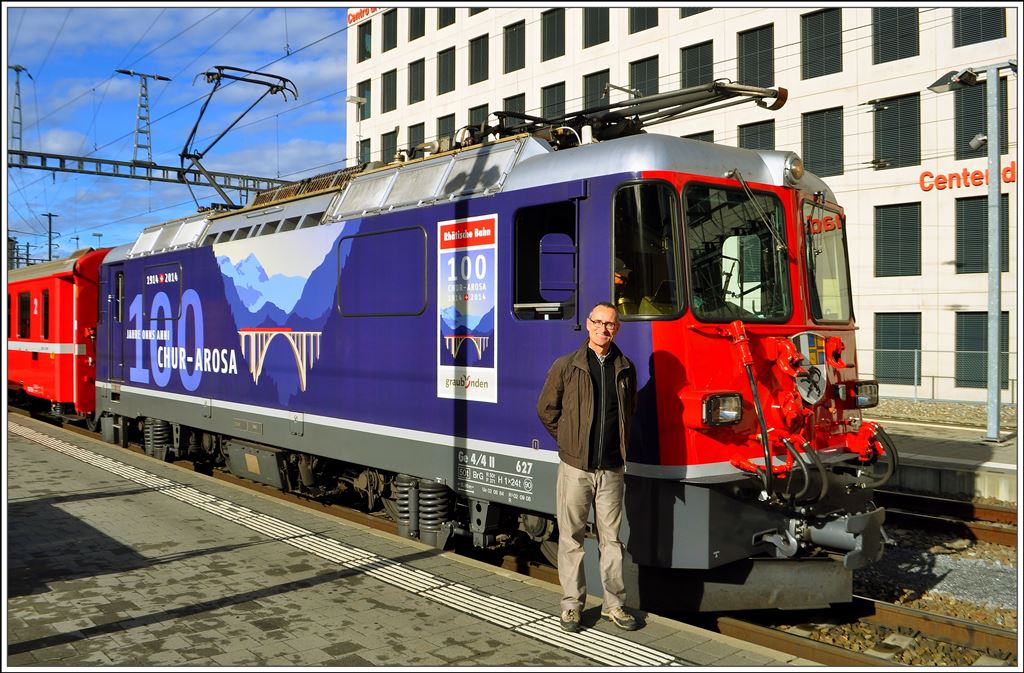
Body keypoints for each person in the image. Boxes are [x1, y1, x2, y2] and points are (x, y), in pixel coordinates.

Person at [536, 301, 639, 633]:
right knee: (572, 539)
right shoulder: (567, 366)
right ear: (588, 324)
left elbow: (628, 412)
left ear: (617, 329)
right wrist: (569, 442)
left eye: (610, 324)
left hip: (611, 470)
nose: (603, 329)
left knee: (611, 541)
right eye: (598, 322)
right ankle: (571, 606)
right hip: (576, 468)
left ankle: (615, 605)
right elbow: (546, 410)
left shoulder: (625, 368)